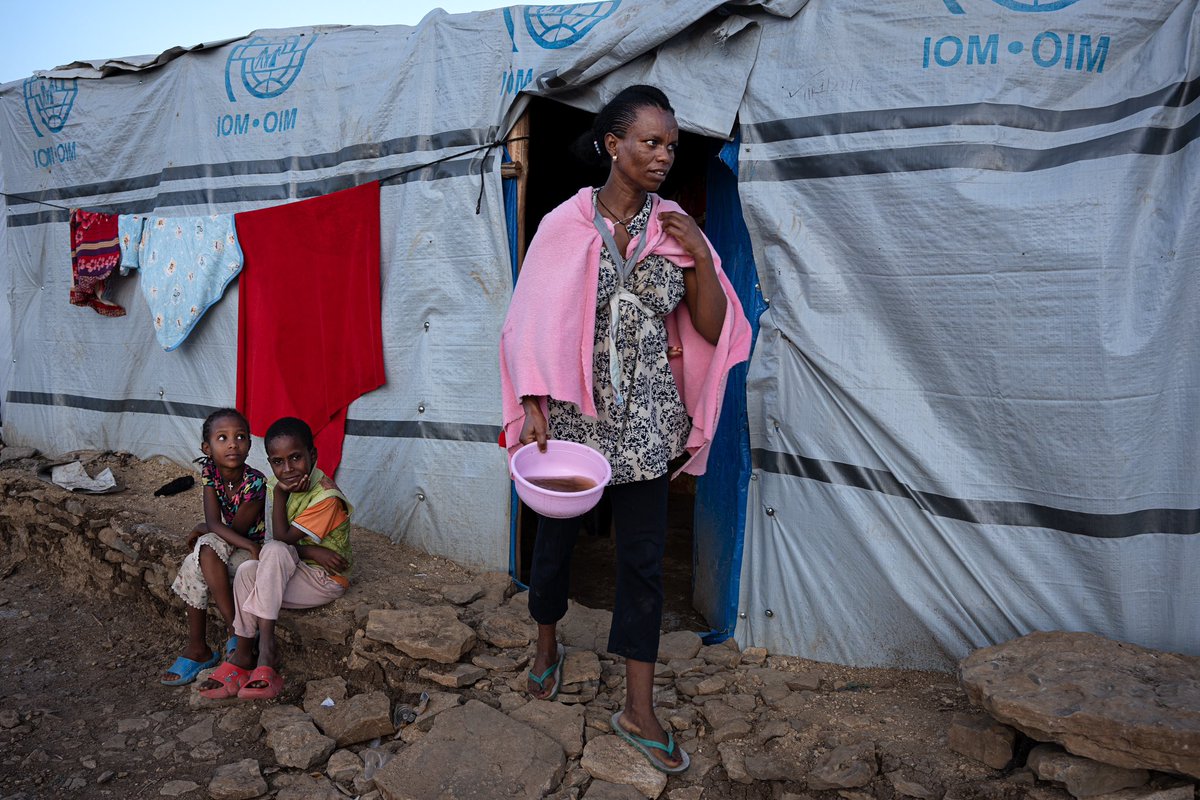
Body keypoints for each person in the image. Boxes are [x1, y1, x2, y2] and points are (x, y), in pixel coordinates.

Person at [499, 85, 751, 774]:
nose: (665, 155)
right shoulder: (563, 225)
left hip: (646, 423)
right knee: (554, 545)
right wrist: (531, 400)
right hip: (575, 421)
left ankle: (638, 708)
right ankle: (545, 642)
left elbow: (710, 328)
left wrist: (698, 250)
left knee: (642, 564)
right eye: (651, 142)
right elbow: (527, 319)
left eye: (672, 145)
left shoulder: (675, 226)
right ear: (613, 144)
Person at [199, 416, 352, 700]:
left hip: (323, 579)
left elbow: (280, 541)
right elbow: (275, 543)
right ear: (270, 463)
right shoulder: (273, 485)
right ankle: (244, 652)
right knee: (246, 570)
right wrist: (307, 549)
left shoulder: (326, 497)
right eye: (278, 462)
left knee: (274, 551)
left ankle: (267, 652)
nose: (288, 469)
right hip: (292, 568)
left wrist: (281, 495)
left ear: (313, 455)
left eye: (296, 458)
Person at [160, 408, 266, 685]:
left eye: (240, 437)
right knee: (199, 556)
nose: (233, 443)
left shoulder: (255, 483)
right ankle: (231, 630)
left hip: (245, 544)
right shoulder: (210, 471)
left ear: (249, 444)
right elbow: (213, 522)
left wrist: (205, 528)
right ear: (207, 447)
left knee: (201, 552)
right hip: (226, 542)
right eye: (222, 438)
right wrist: (207, 527)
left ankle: (202, 647)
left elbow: (233, 530)